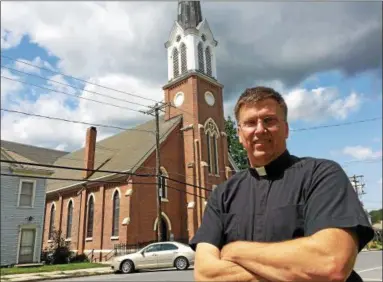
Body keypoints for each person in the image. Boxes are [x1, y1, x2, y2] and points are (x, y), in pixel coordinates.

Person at [189, 86, 374, 282]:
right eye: (250, 123)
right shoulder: (223, 194)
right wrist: (292, 270)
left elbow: (330, 265)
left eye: (269, 120)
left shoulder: (321, 174)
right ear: (240, 135)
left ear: (286, 129)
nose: (260, 129)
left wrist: (234, 250)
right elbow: (205, 274)